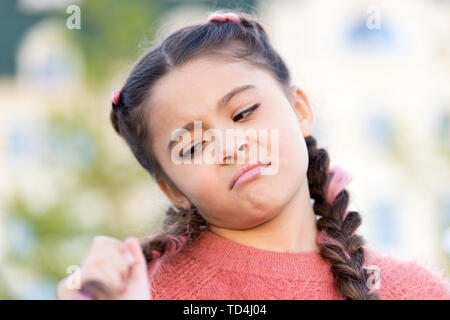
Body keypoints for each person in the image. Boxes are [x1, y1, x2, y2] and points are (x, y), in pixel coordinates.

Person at [57, 11, 450, 300]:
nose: (230, 147)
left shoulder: (417, 291)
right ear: (171, 188)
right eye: (192, 146)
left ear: (300, 110)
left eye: (244, 113)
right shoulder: (145, 293)